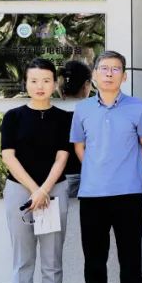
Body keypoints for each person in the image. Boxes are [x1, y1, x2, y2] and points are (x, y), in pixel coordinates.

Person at [70, 51, 142, 283]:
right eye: (103, 68)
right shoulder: (82, 109)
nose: (109, 73)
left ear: (124, 76)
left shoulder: (137, 107)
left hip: (128, 193)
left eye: (115, 69)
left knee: (130, 258)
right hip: (93, 194)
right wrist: (98, 170)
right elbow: (79, 147)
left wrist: (127, 168)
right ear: (94, 75)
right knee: (94, 260)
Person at [0, 58, 72, 283]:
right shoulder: (13, 116)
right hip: (19, 191)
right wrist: (34, 190)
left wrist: (44, 190)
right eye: (33, 81)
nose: (40, 86)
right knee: (23, 258)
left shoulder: (64, 118)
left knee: (52, 258)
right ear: (25, 83)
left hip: (55, 190)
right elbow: (8, 156)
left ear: (54, 84)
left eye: (46, 80)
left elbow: (62, 157)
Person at [58, 59, 92, 198]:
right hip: (87, 176)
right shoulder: (92, 113)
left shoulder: (53, 113)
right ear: (86, 85)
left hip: (58, 178)